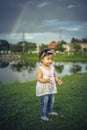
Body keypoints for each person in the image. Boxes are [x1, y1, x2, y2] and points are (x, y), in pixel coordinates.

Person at [36, 49, 63, 121]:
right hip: (44, 88)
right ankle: (43, 115)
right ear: (41, 59)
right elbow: (38, 78)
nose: (50, 60)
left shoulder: (52, 68)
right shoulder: (40, 69)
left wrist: (58, 80)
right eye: (48, 59)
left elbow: (54, 76)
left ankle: (50, 111)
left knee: (51, 100)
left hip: (51, 88)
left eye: (51, 59)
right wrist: (45, 80)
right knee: (44, 102)